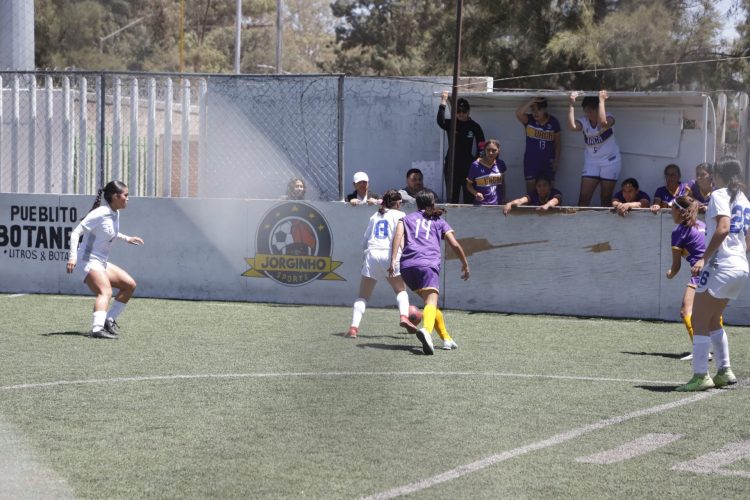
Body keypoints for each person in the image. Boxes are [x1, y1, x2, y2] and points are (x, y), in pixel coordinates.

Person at [676, 158, 749, 391]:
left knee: (699, 319)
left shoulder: (719, 195)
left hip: (721, 266)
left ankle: (700, 375)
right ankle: (724, 370)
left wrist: (703, 258)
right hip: (740, 266)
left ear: (718, 175)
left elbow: (723, 227)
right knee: (713, 319)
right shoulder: (743, 198)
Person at [388, 191, 470, 354]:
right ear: (432, 203)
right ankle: (426, 330)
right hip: (427, 265)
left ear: (417, 204)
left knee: (431, 303)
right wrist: (465, 263)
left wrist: (392, 260)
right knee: (431, 303)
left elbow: (397, 236)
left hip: (407, 267)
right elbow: (454, 244)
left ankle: (446, 338)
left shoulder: (405, 219)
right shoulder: (439, 221)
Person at [66, 180, 144, 339]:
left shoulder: (115, 213)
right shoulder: (100, 212)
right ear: (115, 196)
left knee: (129, 285)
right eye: (125, 195)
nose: (128, 198)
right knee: (105, 292)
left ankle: (109, 320)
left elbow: (109, 232)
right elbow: (75, 233)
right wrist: (72, 257)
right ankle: (97, 329)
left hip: (101, 262)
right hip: (87, 260)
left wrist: (127, 238)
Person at [346, 190, 419, 338]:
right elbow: (403, 239)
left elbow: (365, 241)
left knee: (363, 296)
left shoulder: (375, 216)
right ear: (397, 204)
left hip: (372, 254)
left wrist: (367, 259)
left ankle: (353, 328)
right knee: (401, 291)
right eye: (400, 203)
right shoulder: (400, 215)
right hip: (390, 255)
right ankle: (404, 317)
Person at [665, 195, 706, 360]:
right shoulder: (702, 225)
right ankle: (716, 348)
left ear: (679, 211)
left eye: (672, 208)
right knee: (711, 311)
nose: (670, 212)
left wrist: (669, 274)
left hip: (700, 273)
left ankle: (701, 350)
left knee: (685, 310)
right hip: (715, 270)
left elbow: (675, 267)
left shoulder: (679, 231)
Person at [567, 90, 621, 207]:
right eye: (586, 111)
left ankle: (604, 220)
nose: (588, 114)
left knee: (606, 197)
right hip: (591, 162)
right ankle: (581, 218)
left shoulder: (609, 116)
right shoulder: (584, 121)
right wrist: (571, 104)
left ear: (598, 108)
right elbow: (572, 127)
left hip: (610, 161)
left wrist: (601, 101)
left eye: (590, 110)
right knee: (584, 197)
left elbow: (603, 123)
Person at [437, 91, 485, 204]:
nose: (461, 114)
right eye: (458, 111)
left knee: (469, 197)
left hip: (468, 165)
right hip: (451, 165)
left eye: (464, 111)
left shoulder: (474, 126)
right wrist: (443, 101)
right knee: (452, 197)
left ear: (468, 111)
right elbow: (440, 121)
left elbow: (482, 144)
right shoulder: (451, 123)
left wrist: (479, 159)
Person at [515, 96, 561, 193]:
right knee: (531, 193)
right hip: (531, 162)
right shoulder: (529, 120)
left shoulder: (554, 122)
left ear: (545, 109)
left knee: (548, 192)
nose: (535, 113)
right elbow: (518, 113)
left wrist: (556, 160)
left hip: (548, 162)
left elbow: (557, 143)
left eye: (539, 110)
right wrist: (532, 100)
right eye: (533, 110)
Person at [466, 139, 506, 206]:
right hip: (481, 205)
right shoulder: (476, 165)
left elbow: (502, 184)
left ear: (498, 151)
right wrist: (476, 193)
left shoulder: (501, 164)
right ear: (484, 150)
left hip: (497, 205)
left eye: (494, 150)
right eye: (488, 150)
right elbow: (468, 185)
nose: (491, 153)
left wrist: (503, 199)